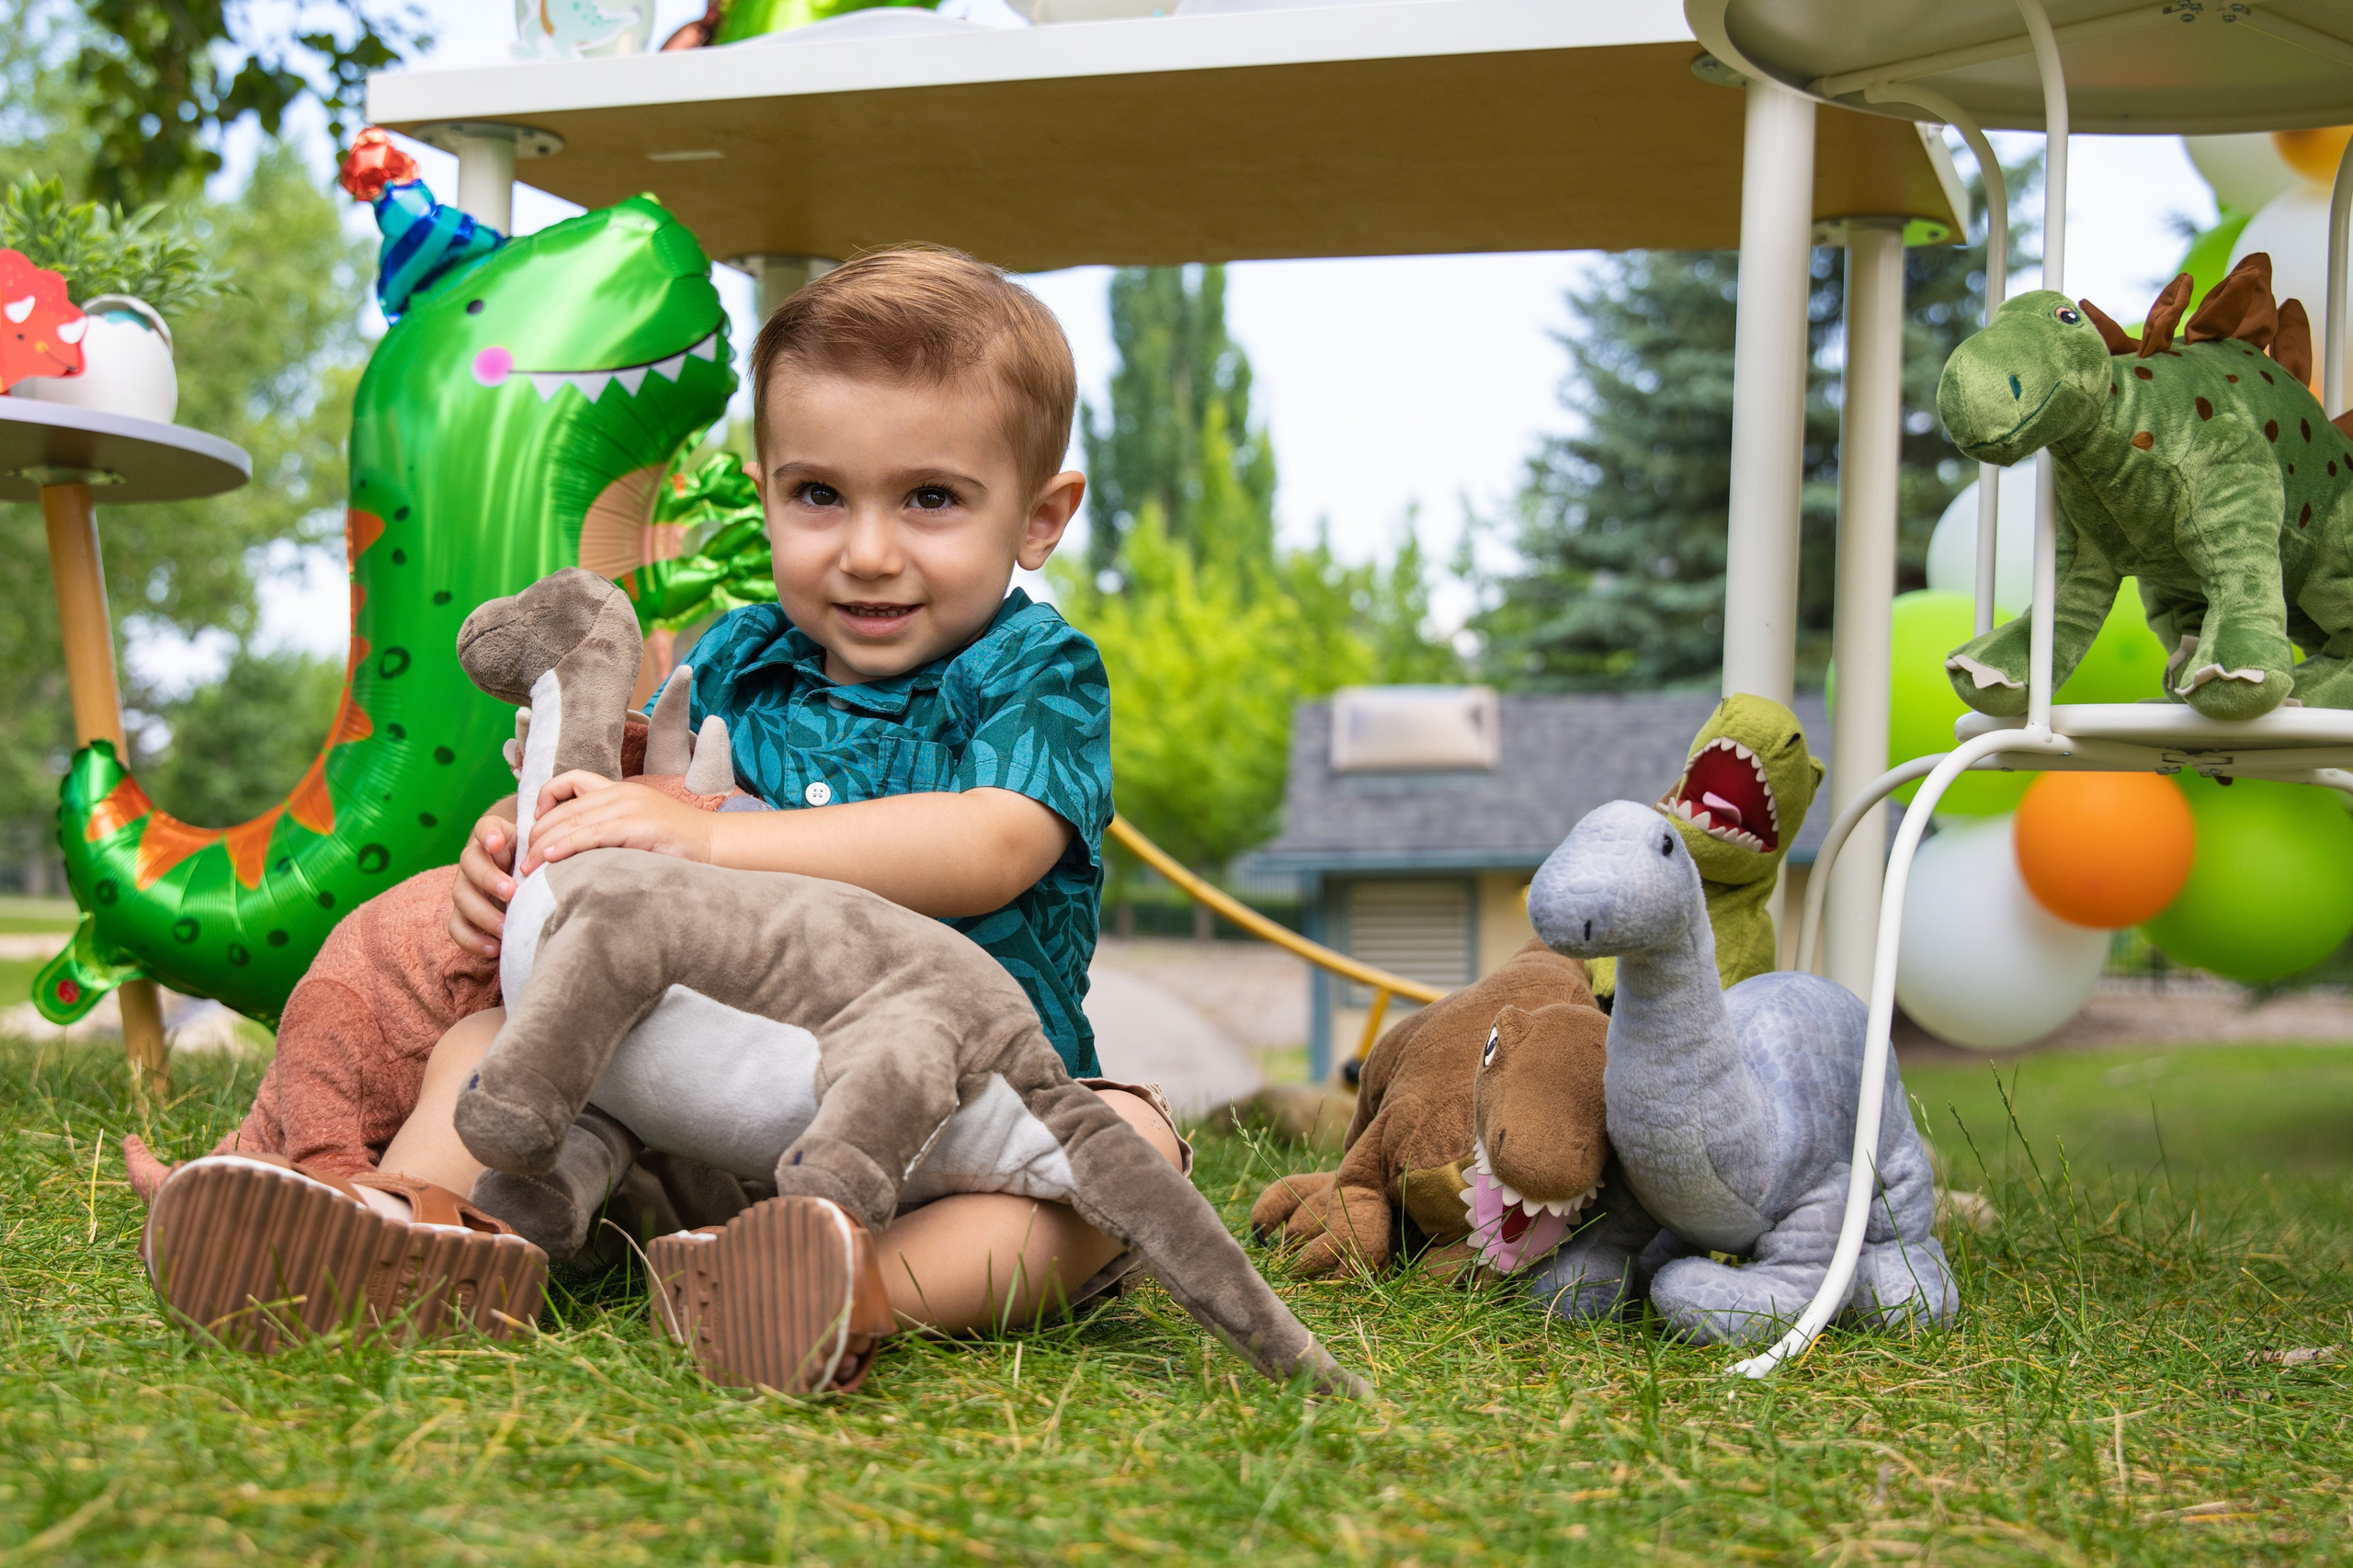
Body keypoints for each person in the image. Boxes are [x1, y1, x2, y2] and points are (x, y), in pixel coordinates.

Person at [141, 247, 1183, 1376]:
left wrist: (713, 837)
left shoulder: (1039, 668)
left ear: (1039, 516)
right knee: (486, 1037)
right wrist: (529, 842)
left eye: (930, 498)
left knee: (1130, 1145)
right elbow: (625, 804)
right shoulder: (735, 653)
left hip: (954, 1112)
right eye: (819, 494)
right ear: (766, 486)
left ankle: (844, 1288)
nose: (867, 550)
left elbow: (991, 843)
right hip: (717, 1086)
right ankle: (412, 1233)